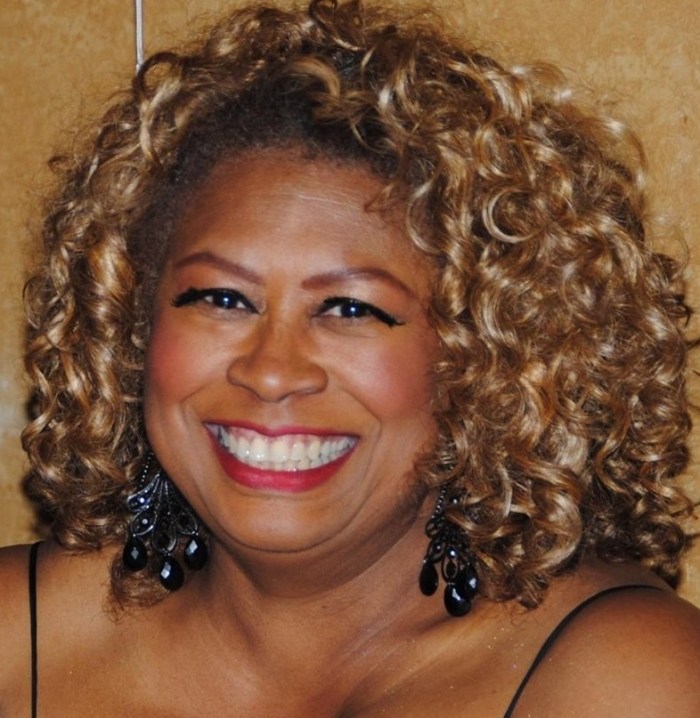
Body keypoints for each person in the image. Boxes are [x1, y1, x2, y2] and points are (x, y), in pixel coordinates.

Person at [1, 0, 699, 715]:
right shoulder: (18, 644)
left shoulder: (622, 678)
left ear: (491, 361)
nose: (272, 371)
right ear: (132, 327)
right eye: (222, 299)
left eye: (351, 309)